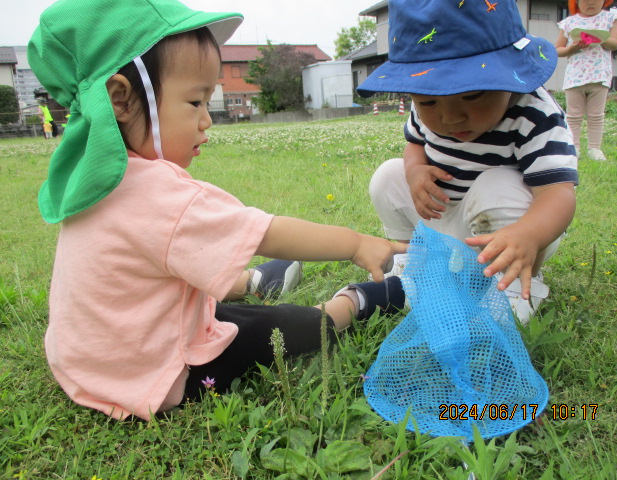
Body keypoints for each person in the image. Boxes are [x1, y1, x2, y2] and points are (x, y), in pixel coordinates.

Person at [28, 0, 407, 421]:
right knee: (266, 329)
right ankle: (348, 305)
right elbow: (265, 232)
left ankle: (255, 281)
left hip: (89, 363)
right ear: (122, 99)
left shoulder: (89, 176)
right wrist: (357, 244)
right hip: (157, 374)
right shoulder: (159, 194)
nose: (207, 120)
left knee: (216, 312)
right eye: (195, 103)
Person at [357, 0, 579, 324]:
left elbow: (558, 194)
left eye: (472, 95)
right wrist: (415, 170)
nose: (449, 116)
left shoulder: (535, 114)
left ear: (511, 74)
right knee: (388, 176)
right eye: (428, 100)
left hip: (512, 229)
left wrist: (529, 234)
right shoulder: (425, 112)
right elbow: (414, 144)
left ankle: (515, 285)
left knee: (497, 183)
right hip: (442, 211)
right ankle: (414, 259)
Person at [556, 0, 617, 161]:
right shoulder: (569, 22)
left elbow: (615, 43)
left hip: (599, 75)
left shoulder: (610, 18)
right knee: (573, 115)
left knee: (596, 115)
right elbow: (558, 49)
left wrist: (598, 38)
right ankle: (573, 147)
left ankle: (594, 148)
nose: (590, 2)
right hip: (575, 76)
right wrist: (572, 48)